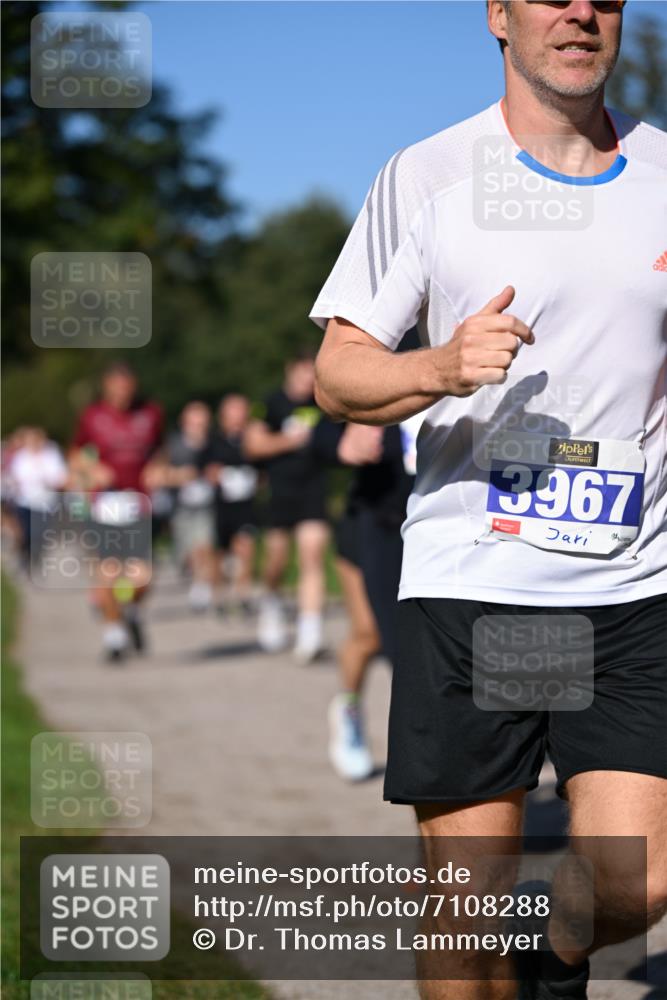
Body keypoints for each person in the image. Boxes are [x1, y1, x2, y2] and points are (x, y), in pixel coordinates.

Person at [310, 2, 666, 997]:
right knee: (464, 914)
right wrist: (437, 365)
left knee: (639, 882)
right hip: (473, 583)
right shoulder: (426, 175)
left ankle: (548, 954)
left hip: (632, 586)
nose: (580, 11)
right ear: (498, 17)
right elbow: (337, 376)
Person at [69, 362, 163, 663]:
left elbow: (161, 450)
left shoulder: (151, 413)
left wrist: (158, 468)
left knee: (141, 579)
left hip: (139, 503)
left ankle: (132, 610)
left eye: (127, 385)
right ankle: (114, 639)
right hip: (105, 504)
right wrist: (92, 468)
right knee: (108, 573)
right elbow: (75, 455)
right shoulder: (93, 416)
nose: (122, 392)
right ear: (106, 386)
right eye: (116, 386)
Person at [244, 350, 330, 660]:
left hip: (313, 488)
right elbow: (252, 445)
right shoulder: (270, 404)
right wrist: (288, 441)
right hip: (279, 491)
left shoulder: (323, 404)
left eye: (313, 373)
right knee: (276, 560)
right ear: (290, 370)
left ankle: (310, 633)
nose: (308, 379)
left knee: (312, 555)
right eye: (303, 372)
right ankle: (271, 603)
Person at [145, 401, 217, 613]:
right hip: (179, 507)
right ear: (184, 423)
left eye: (202, 422)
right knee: (186, 552)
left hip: (206, 506)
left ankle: (201, 586)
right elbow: (155, 475)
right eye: (194, 422)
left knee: (204, 546)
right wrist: (180, 476)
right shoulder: (172, 445)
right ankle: (187, 569)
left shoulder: (213, 444)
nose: (198, 427)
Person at [204, 393, 260, 614]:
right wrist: (218, 475)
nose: (237, 415)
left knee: (246, 546)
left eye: (241, 410)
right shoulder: (213, 441)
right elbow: (205, 470)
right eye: (233, 411)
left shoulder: (253, 439)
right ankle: (218, 594)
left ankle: (243, 594)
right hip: (221, 505)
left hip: (246, 505)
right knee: (220, 554)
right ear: (223, 415)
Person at [6, 426, 67, 570]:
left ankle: (35, 556)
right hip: (24, 500)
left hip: (44, 502)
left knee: (39, 533)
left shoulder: (51, 455)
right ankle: (25, 557)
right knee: (25, 531)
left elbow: (58, 476)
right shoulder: (22, 456)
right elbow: (15, 474)